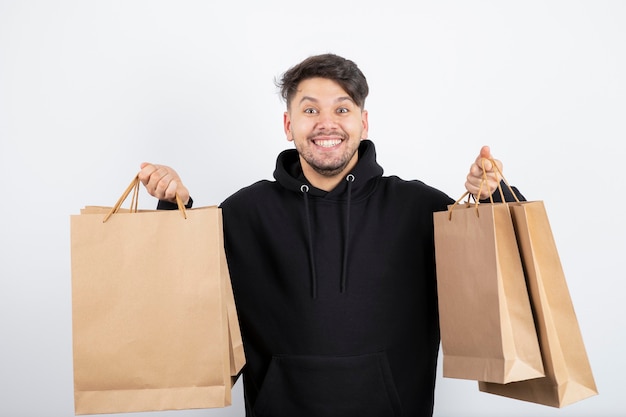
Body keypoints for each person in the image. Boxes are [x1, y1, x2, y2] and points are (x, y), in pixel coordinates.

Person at [139, 53, 523, 417]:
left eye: (342, 109)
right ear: (289, 125)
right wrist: (175, 208)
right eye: (310, 110)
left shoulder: (422, 208)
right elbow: (188, 311)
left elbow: (504, 281)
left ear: (363, 122)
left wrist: (495, 197)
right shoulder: (244, 213)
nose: (327, 123)